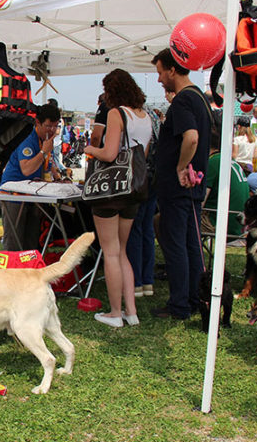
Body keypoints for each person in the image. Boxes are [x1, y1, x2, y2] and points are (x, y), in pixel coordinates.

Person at [84, 69, 153, 328]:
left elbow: (110, 153)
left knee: (110, 252)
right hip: (133, 190)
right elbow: (141, 155)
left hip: (110, 191)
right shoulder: (145, 117)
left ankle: (115, 313)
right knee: (122, 251)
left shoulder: (116, 113)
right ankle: (130, 311)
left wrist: (91, 149)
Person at [151, 48, 212, 320]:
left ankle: (180, 305)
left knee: (176, 244)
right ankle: (195, 298)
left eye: (160, 72)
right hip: (192, 187)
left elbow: (192, 137)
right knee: (191, 244)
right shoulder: (199, 97)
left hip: (179, 188)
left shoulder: (184, 100)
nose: (159, 79)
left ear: (172, 70)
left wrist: (179, 167)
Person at [0, 103, 62, 251]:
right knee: (14, 240)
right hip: (13, 194)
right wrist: (43, 152)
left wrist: (58, 177)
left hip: (34, 194)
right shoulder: (27, 139)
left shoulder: (46, 140)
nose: (52, 130)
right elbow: (26, 169)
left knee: (32, 239)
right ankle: (11, 272)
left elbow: (49, 164)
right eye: (48, 126)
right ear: (38, 123)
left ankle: (30, 270)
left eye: (55, 126)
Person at [127, 106, 161, 299]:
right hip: (153, 179)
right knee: (147, 230)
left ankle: (136, 282)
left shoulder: (133, 119)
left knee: (135, 230)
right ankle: (147, 281)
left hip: (139, 179)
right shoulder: (153, 116)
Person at [202, 125, 249, 238]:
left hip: (221, 223)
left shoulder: (213, 163)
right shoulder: (229, 160)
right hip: (239, 223)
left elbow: (200, 201)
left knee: (162, 220)